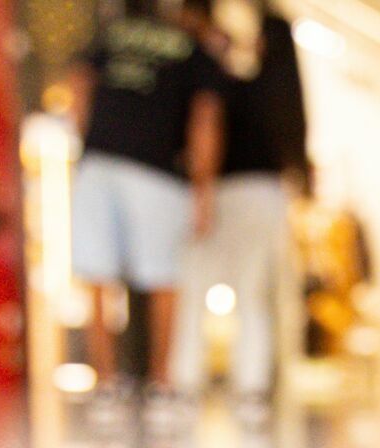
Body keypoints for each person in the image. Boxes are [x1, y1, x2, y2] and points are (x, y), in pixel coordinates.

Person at [67, 0, 223, 411]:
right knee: (163, 278)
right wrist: (202, 190)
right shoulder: (194, 49)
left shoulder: (111, 36)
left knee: (96, 275)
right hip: (159, 172)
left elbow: (78, 85)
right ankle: (161, 385)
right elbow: (205, 119)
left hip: (98, 163)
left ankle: (105, 385)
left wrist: (88, 138)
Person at [171, 2, 307, 418]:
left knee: (197, 288)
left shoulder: (212, 78)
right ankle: (249, 389)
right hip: (260, 192)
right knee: (252, 294)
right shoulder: (277, 86)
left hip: (219, 190)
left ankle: (187, 384)